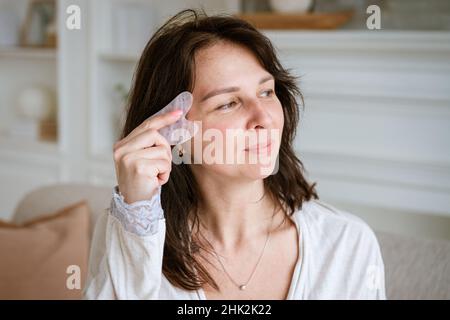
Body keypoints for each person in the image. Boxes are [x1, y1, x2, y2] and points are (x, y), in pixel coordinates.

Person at [83, 9, 386, 300]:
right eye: (228, 103)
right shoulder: (128, 235)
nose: (264, 118)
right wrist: (137, 210)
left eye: (266, 92)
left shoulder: (349, 245)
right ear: (172, 132)